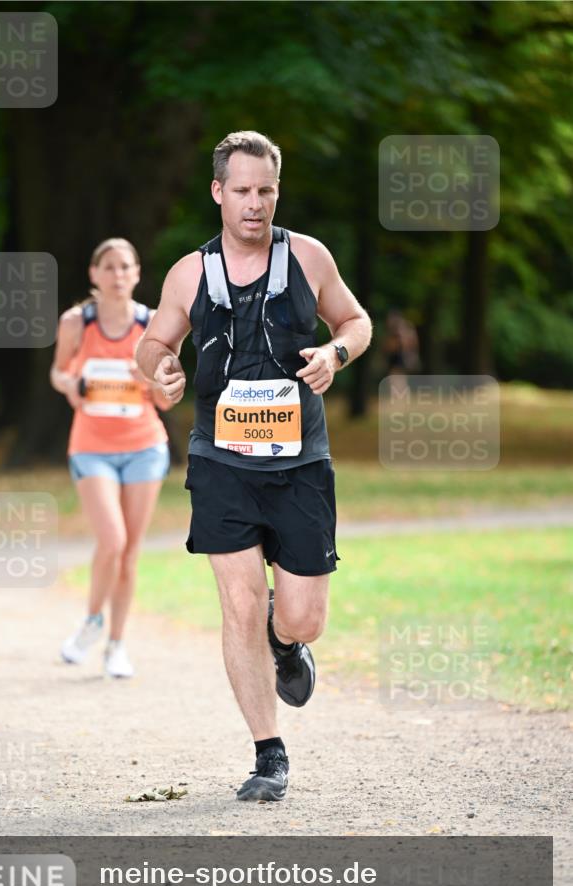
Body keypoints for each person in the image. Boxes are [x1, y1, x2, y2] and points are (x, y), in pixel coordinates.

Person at [136, 131, 371, 801]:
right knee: (237, 604)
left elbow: (355, 320)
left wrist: (335, 355)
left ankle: (286, 639)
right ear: (217, 191)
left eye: (265, 190)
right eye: (240, 190)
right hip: (220, 461)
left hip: (300, 462)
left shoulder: (308, 257)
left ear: (276, 190)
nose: (254, 204)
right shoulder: (189, 272)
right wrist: (162, 369)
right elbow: (153, 343)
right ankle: (268, 754)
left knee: (301, 618)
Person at [50, 238, 173, 678]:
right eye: (110, 267)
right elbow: (58, 372)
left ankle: (116, 645)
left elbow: (166, 399)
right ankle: (91, 621)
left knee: (130, 552)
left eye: (126, 267)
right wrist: (74, 385)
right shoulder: (75, 323)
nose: (118, 275)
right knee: (112, 541)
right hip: (92, 447)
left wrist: (149, 384)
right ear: (94, 274)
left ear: (137, 274)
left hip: (144, 447)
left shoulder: (153, 323)